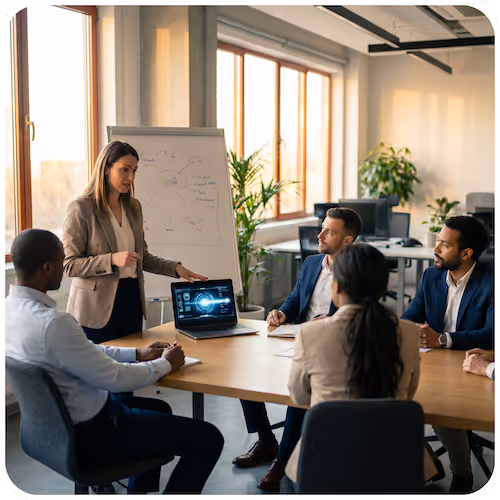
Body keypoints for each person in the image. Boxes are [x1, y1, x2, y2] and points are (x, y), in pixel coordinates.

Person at [5, 229, 224, 494]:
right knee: (209, 439)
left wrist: (137, 354)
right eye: (61, 262)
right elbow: (116, 379)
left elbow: (86, 350)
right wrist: (167, 363)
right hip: (95, 434)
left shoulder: (10, 312)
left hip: (55, 430)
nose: (64, 270)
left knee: (160, 409)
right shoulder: (54, 324)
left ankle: (137, 493)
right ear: (47, 266)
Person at [233, 207, 362, 492]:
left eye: (330, 231)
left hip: (330, 349)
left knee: (299, 388)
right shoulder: (313, 262)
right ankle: (267, 441)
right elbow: (295, 300)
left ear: (347, 241)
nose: (320, 234)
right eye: (322, 227)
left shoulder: (358, 271)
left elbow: (361, 315)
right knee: (244, 375)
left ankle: (282, 458)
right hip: (296, 336)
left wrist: (335, 320)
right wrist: (281, 313)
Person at [285, 244, 421, 490]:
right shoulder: (409, 333)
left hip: (324, 462)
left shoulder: (310, 333)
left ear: (336, 286)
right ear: (384, 286)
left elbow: (299, 395)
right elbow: (408, 394)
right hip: (392, 462)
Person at [62, 140, 208, 345]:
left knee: (132, 367)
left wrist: (176, 269)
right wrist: (111, 259)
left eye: (134, 171)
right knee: (100, 373)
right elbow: (70, 265)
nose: (130, 177)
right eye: (124, 170)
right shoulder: (82, 208)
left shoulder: (133, 207)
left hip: (131, 300)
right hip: (94, 309)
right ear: (105, 168)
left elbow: (143, 258)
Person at [401, 215, 493, 493]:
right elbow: (409, 317)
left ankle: (462, 475)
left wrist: (443, 339)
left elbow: (492, 333)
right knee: (394, 398)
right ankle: (428, 463)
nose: (435, 249)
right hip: (434, 363)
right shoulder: (431, 276)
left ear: (466, 254)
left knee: (439, 406)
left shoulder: (492, 280)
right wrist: (413, 329)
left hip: (473, 365)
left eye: (444, 244)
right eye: (437, 241)